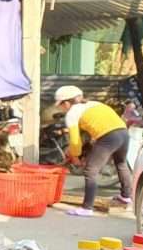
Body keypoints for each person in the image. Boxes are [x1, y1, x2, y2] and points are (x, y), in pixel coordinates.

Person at [54, 85, 134, 217]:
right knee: (121, 163)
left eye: (61, 105)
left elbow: (75, 142)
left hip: (108, 136)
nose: (61, 108)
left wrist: (75, 156)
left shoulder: (72, 113)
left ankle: (87, 208)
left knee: (90, 171)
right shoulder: (94, 104)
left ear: (67, 103)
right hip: (123, 132)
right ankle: (126, 196)